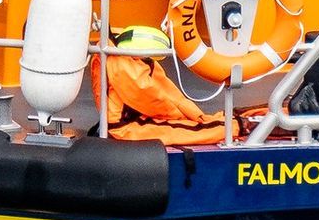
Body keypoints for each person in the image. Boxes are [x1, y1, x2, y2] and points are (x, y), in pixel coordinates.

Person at [95, 26, 262, 145]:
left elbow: (166, 97)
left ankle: (247, 120)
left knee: (205, 123)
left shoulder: (124, 57)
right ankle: (243, 125)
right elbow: (156, 103)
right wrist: (187, 116)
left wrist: (194, 115)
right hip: (126, 129)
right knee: (203, 131)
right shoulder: (125, 68)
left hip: (135, 121)